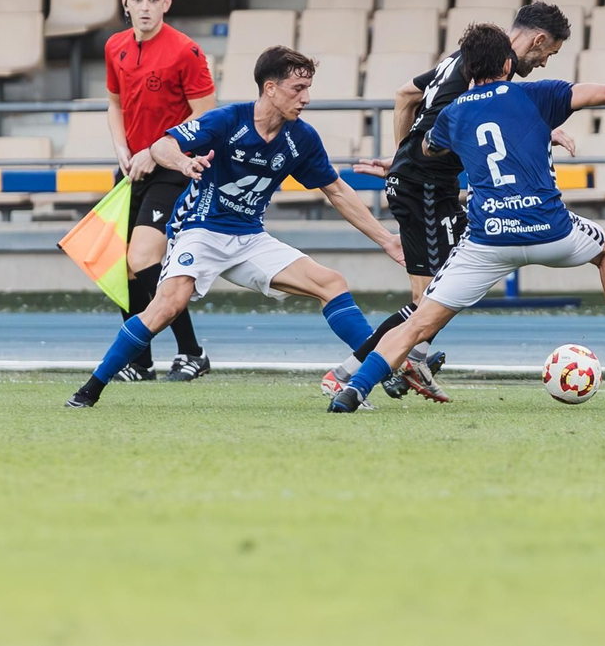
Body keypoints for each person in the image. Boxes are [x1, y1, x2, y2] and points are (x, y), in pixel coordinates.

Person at [329, 24, 605, 413]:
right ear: (508, 62)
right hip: (550, 230)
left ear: (467, 69)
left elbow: (427, 147)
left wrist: (405, 158)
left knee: (418, 324)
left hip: (487, 241)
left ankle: (353, 389)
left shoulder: (452, 114)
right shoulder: (537, 95)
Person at [67, 46, 405, 408]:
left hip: (249, 237)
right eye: (297, 88)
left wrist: (387, 239)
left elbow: (337, 191)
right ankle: (90, 388)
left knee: (331, 283)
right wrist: (183, 164)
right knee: (167, 305)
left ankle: (376, 369)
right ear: (270, 88)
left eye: (308, 88)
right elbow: (161, 146)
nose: (306, 98)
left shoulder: (301, 138)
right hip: (201, 229)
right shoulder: (227, 121)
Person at [103, 0, 215, 382]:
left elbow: (206, 115)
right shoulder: (115, 46)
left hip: (175, 167)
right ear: (125, 4)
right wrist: (123, 150)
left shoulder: (186, 51)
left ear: (166, 4)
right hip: (132, 167)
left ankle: (192, 352)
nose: (146, 7)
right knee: (122, 266)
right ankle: (139, 359)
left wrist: (156, 149)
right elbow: (115, 103)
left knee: (143, 257)